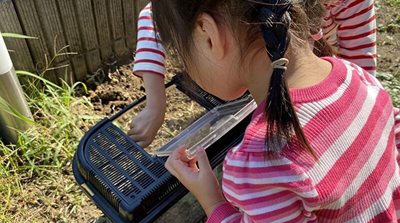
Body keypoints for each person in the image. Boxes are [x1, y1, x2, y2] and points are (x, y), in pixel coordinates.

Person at [147, 0, 400, 223]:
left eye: (180, 54)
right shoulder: (358, 77)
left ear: (207, 35)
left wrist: (214, 204)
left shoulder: (264, 160)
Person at [128, 0, 377, 149]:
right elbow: (157, 14)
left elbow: (360, 69)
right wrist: (155, 105)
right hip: (261, 74)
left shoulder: (352, 4)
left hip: (308, 81)